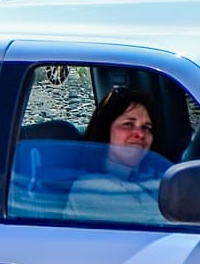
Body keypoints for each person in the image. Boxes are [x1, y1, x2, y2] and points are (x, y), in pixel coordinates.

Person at [64, 87, 173, 224]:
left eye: (146, 127)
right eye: (128, 124)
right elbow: (160, 228)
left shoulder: (143, 179)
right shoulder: (92, 187)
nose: (140, 134)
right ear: (105, 130)